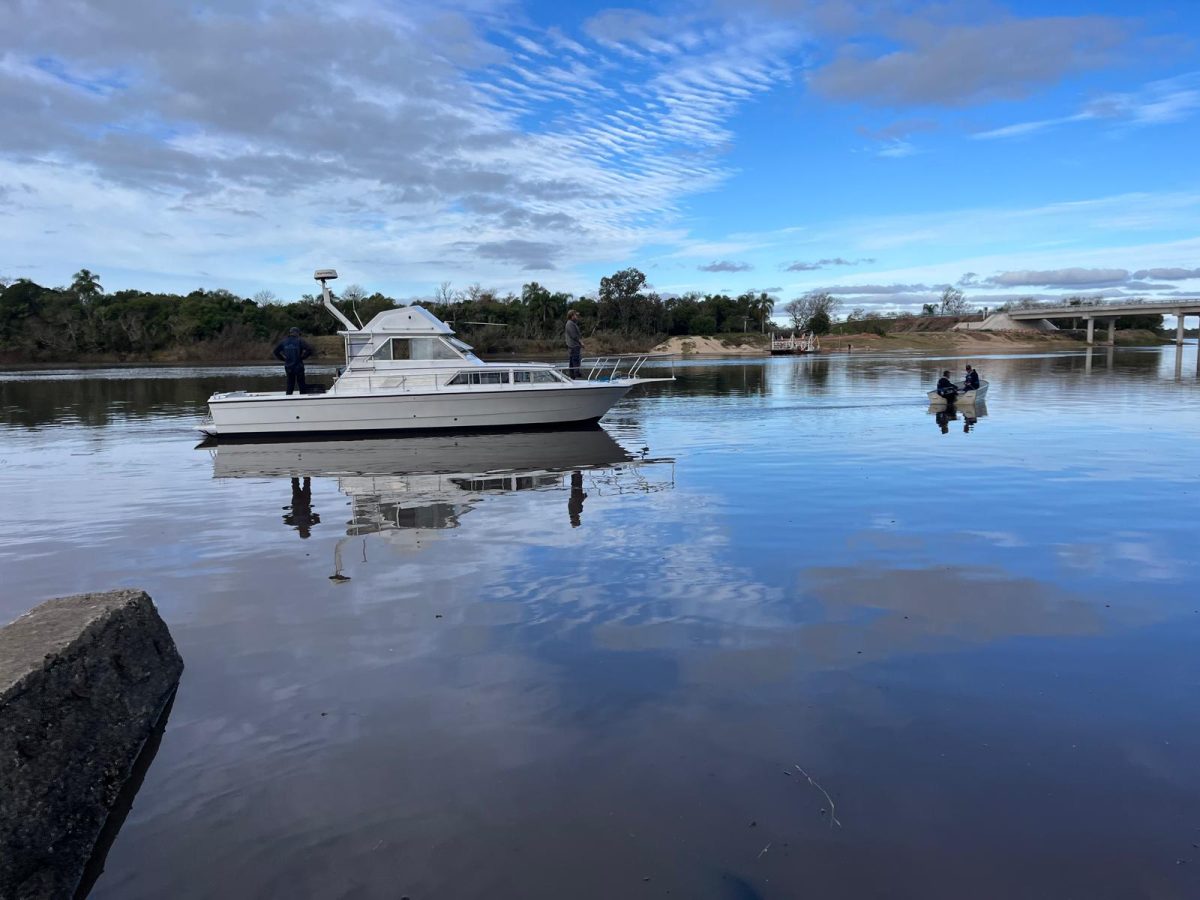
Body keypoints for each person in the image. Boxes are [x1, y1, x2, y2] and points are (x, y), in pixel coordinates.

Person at [273, 326, 314, 395]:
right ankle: (303, 398)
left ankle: (288, 398)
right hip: (298, 366)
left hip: (288, 366)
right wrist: (302, 357)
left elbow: (275, 352)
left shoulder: (283, 341)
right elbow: (309, 350)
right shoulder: (300, 340)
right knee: (301, 384)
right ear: (297, 333)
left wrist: (283, 359)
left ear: (290, 333)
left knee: (290, 384)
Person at [565, 310, 583, 379]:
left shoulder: (572, 323)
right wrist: (581, 342)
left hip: (574, 346)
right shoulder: (570, 324)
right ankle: (575, 374)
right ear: (572, 316)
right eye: (576, 315)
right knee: (575, 360)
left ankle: (573, 376)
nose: (577, 316)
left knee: (574, 361)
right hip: (573, 346)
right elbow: (574, 336)